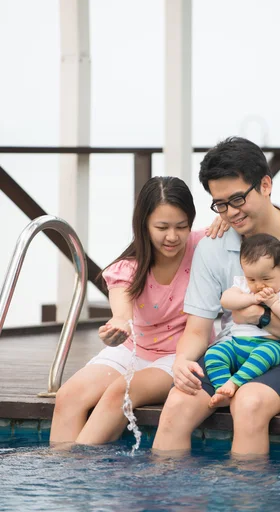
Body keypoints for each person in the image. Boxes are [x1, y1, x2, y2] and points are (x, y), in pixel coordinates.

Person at [152, 137, 280, 456]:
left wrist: (262, 318)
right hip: (232, 349)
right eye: (221, 204)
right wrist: (182, 362)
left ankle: (246, 500)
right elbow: (197, 329)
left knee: (249, 402)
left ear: (266, 185)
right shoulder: (213, 246)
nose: (231, 213)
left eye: (238, 199)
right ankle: (173, 501)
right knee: (176, 404)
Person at [50, 176, 226, 445]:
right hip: (133, 349)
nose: (172, 236)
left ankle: (80, 474)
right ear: (144, 225)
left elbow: (253, 221)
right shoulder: (128, 268)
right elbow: (121, 314)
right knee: (68, 395)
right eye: (162, 227)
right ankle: (62, 475)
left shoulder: (205, 243)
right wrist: (117, 328)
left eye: (182, 226)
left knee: (120, 391)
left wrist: (228, 218)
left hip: (179, 355)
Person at [205, 233, 280, 409]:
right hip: (236, 344)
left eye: (266, 279)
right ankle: (222, 389)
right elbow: (226, 300)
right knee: (213, 354)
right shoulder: (244, 286)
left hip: (271, 345)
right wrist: (251, 299)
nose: (258, 285)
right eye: (251, 279)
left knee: (265, 354)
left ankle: (234, 383)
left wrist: (274, 303)